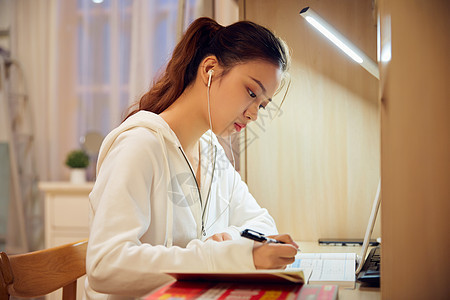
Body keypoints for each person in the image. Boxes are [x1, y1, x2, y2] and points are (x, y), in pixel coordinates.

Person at [85, 17, 297, 299]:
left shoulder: (210, 152)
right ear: (209, 69)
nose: (254, 114)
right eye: (251, 92)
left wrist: (232, 239)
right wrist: (222, 255)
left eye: (262, 104)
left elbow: (262, 224)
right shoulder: (139, 145)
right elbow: (105, 265)